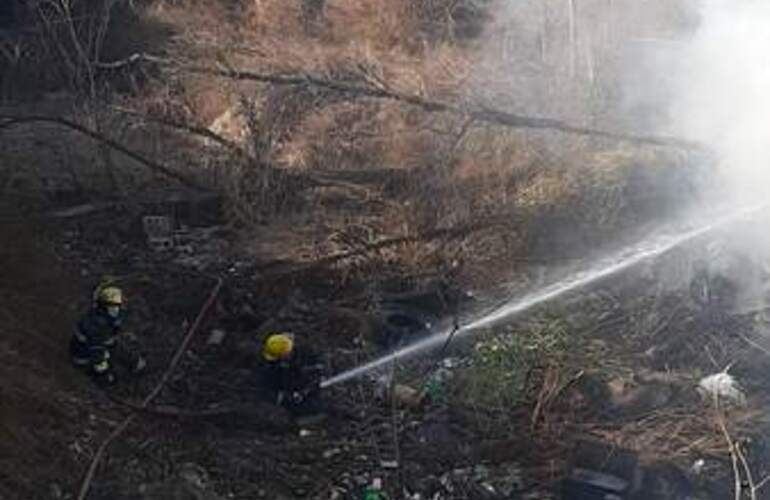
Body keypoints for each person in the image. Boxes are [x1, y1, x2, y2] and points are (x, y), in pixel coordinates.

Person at [70, 284, 145, 387]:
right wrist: (106, 375)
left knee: (116, 348)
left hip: (95, 349)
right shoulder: (97, 325)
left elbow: (111, 341)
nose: (117, 310)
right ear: (105, 306)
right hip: (85, 360)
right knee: (110, 379)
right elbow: (97, 354)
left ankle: (134, 363)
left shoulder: (101, 318)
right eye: (114, 307)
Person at [259, 332, 325, 415]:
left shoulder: (304, 351)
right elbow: (266, 388)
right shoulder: (270, 366)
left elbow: (319, 363)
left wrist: (317, 374)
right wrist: (287, 397)